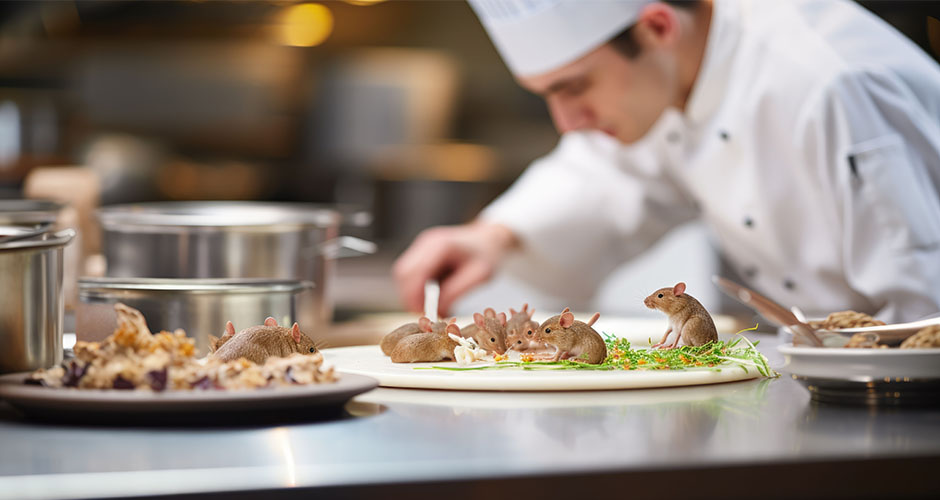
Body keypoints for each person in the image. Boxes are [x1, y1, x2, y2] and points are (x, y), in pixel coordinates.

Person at [393, 0, 940, 322]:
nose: (567, 121)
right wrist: (491, 237)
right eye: (546, 96)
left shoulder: (827, 83)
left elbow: (924, 313)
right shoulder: (671, 76)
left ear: (656, 27)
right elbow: (603, 175)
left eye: (574, 87)